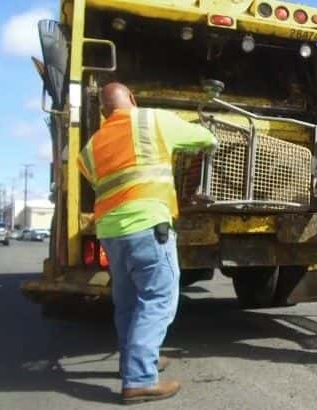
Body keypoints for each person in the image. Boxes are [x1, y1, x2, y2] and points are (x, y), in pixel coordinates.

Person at [77, 82, 217, 403]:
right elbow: (205, 139)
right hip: (149, 226)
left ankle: (135, 361)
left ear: (103, 111)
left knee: (127, 303)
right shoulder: (152, 120)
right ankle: (139, 378)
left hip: (112, 233)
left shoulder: (90, 148)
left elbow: (92, 174)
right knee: (157, 299)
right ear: (133, 100)